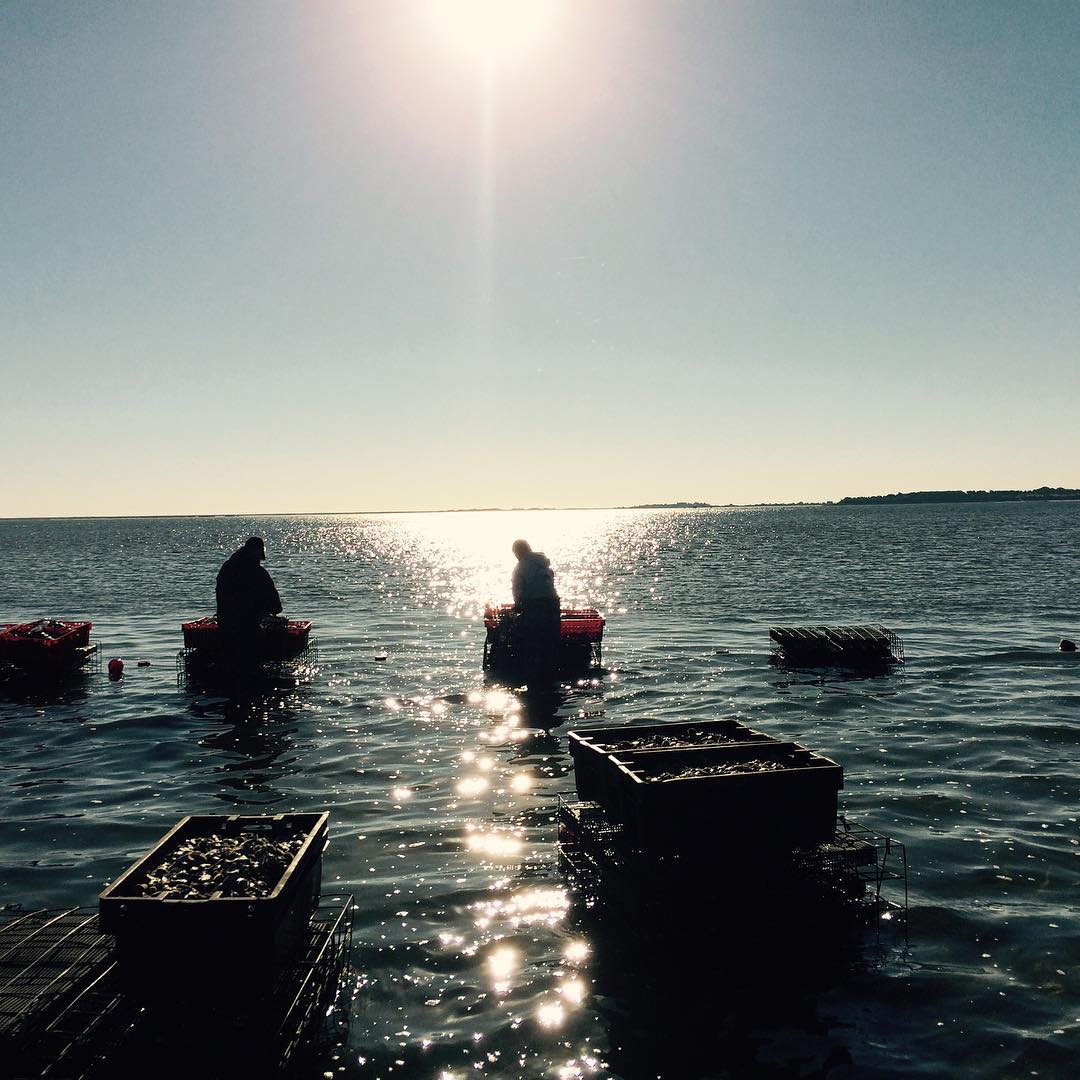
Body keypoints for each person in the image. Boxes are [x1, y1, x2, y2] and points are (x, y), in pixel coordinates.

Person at [215, 537, 282, 666]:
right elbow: (276, 607)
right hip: (249, 629)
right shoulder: (259, 573)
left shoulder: (226, 568)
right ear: (260, 553)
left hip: (225, 626)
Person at [510, 539, 561, 685]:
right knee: (551, 638)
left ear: (517, 552)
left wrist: (517, 606)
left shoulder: (520, 568)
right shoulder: (544, 563)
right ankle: (552, 669)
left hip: (534, 606)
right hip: (553, 604)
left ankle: (535, 673)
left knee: (534, 640)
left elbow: (517, 592)